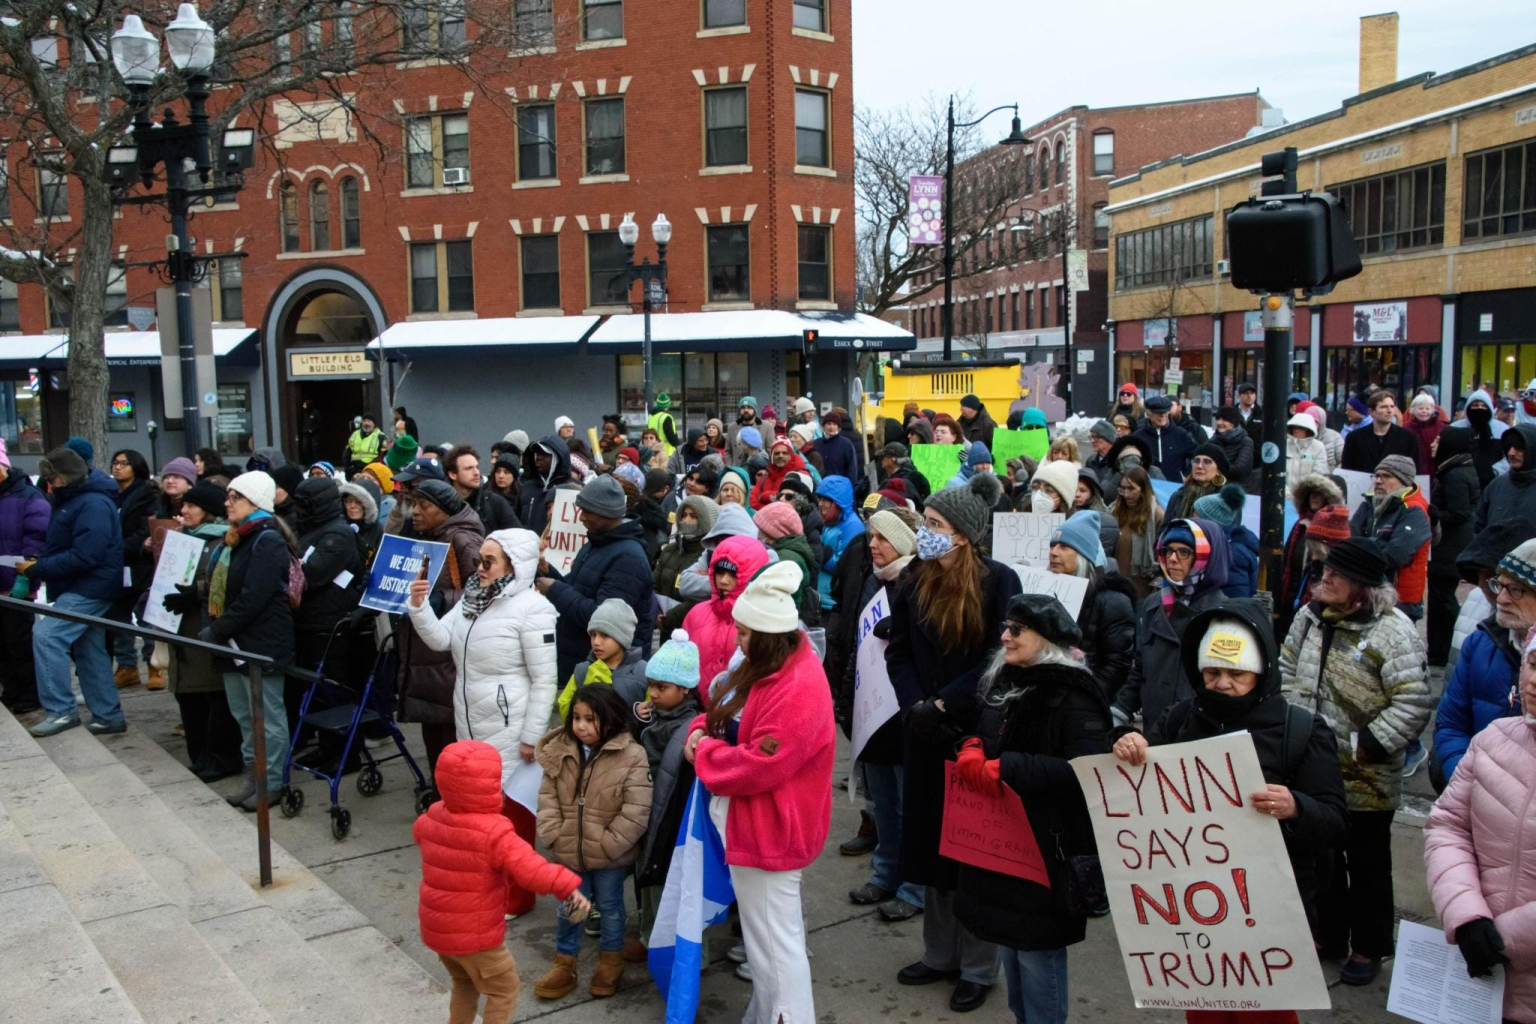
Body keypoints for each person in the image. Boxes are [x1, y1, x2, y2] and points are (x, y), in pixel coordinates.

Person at [1113, 601, 1348, 1024]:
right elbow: (1145, 800)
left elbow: (1334, 821)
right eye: (1211, 673)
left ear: (1260, 673)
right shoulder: (1179, 719)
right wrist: (1131, 748)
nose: (1221, 684)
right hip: (1196, 910)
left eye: (1236, 674)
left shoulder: (1301, 730)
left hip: (1271, 913)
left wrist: (1297, 808)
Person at [888, 475, 1024, 1013]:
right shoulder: (915, 579)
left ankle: (977, 966)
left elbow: (1001, 654)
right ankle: (938, 953)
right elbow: (897, 651)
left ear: (964, 535)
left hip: (974, 732)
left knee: (973, 852)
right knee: (932, 848)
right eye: (926, 522)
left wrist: (945, 702)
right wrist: (916, 705)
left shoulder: (999, 582)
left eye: (936, 524)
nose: (927, 532)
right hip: (924, 731)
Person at [683, 561, 835, 1024]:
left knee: (776, 946)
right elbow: (717, 711)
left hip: (772, 830)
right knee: (765, 943)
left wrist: (703, 753)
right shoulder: (763, 666)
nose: (737, 640)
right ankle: (766, 1015)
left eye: (745, 634)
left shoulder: (799, 687)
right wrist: (700, 733)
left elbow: (762, 764)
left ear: (769, 635)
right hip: (752, 825)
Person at [1279, 536, 1433, 985]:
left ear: (1363, 587)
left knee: (1367, 865)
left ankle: (1369, 947)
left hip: (1367, 777)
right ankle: (1330, 936)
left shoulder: (1394, 631)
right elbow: (1286, 670)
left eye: (1336, 575)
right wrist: (1298, 735)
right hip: (1313, 769)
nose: (1324, 578)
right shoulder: (1308, 619)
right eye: (1326, 570)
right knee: (1322, 860)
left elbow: (1413, 703)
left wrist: (1363, 746)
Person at [951, 594, 1111, 1024]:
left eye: (1016, 629)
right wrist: (970, 746)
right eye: (1006, 626)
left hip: (1047, 848)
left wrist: (1009, 768)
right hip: (1001, 840)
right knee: (1010, 940)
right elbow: (982, 729)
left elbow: (1087, 771)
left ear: (1046, 639)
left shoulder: (1076, 696)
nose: (1004, 636)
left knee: (1037, 953)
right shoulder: (1006, 678)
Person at [408, 527, 557, 918]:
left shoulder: (533, 608)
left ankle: (518, 898)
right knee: (480, 819)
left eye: (489, 561)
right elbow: (441, 640)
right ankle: (492, 890)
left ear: (515, 564)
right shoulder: (474, 598)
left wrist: (531, 736)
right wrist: (419, 607)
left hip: (512, 728)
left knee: (512, 818)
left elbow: (545, 680)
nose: (481, 567)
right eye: (480, 560)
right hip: (471, 720)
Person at [414, 740, 589, 1024]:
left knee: (465, 983)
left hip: (438, 930)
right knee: (503, 989)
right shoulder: (494, 833)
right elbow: (532, 869)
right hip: (476, 934)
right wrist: (567, 885)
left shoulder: (432, 815)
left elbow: (419, 833)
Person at [1424, 630, 1536, 1024]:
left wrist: (1507, 938)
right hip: (1479, 988)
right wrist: (1466, 916)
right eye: (1533, 663)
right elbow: (1448, 825)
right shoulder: (1491, 741)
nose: (1534, 681)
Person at [534, 684, 651, 1000]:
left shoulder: (631, 755)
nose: (581, 725)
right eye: (576, 717)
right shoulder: (563, 750)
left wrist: (610, 845)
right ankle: (565, 962)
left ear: (610, 719)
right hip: (569, 853)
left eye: (590, 719)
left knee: (611, 908)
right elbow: (547, 799)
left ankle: (610, 962)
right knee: (570, 907)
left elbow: (636, 808)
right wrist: (555, 836)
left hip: (610, 856)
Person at [835, 508, 922, 917]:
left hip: (906, 714)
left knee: (909, 804)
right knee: (883, 801)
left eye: (881, 538)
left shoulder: (921, 583)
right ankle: (884, 874)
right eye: (871, 537)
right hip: (874, 713)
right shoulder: (874, 581)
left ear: (902, 543)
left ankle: (913, 887)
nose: (872, 545)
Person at [201, 472, 297, 811]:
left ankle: (272, 781)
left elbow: (254, 597)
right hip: (233, 643)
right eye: (228, 496)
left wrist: (217, 629)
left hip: (259, 644)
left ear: (256, 502)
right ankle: (253, 776)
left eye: (235, 497)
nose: (227, 503)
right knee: (244, 715)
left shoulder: (267, 539)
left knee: (266, 716)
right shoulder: (235, 539)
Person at [24, 447, 126, 738]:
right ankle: (108, 716)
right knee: (88, 648)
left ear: (65, 478)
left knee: (47, 636)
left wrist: (42, 567)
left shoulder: (91, 503)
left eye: (52, 479)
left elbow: (87, 555)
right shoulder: (78, 499)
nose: (49, 485)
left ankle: (60, 712)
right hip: (86, 585)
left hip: (89, 587)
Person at [1432, 538, 1536, 791]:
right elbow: (1451, 726)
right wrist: (1468, 783)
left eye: (1516, 590)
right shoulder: (1480, 643)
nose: (1501, 598)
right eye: (1499, 584)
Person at [399, 479, 486, 777]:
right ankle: (440, 792)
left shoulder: (463, 540)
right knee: (433, 726)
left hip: (449, 653)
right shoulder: (431, 536)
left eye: (425, 506)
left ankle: (452, 793)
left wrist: (441, 599)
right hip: (428, 649)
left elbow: (484, 591)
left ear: (445, 509)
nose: (416, 513)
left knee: (448, 730)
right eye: (414, 505)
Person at [1111, 519, 1232, 731]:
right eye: (1168, 551)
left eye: (1184, 552)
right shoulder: (1153, 603)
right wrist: (1120, 711)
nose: (1173, 559)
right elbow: (1140, 667)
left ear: (1206, 558)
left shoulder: (1223, 613)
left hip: (1197, 732)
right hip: (1154, 727)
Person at [158, 481, 243, 781]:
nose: (183, 510)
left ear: (207, 510)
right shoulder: (183, 538)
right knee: (190, 700)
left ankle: (221, 758)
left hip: (204, 630)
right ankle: (201, 756)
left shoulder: (223, 541)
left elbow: (228, 580)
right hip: (181, 631)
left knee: (213, 699)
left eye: (191, 506)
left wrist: (194, 592)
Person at [629, 631, 706, 960]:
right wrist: (637, 720)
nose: (653, 694)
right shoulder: (655, 718)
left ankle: (680, 955)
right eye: (652, 686)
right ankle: (650, 940)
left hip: (671, 820)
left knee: (671, 887)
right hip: (649, 814)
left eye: (662, 688)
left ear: (685, 689)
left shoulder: (690, 728)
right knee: (647, 880)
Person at [536, 475, 653, 684]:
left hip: (606, 675)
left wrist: (554, 590)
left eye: (587, 511)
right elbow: (576, 587)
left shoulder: (628, 558)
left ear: (605, 512)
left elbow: (603, 618)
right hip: (582, 662)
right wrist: (548, 571)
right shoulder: (596, 543)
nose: (581, 518)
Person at [1048, 512, 1135, 704]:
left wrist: (1085, 701)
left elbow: (1116, 665)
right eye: (1053, 545)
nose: (1054, 552)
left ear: (1082, 555)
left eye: (1064, 547)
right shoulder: (1046, 594)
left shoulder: (1113, 601)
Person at [683, 535, 771, 690]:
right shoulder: (696, 614)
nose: (724, 580)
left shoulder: (764, 620)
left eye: (733, 574)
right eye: (720, 572)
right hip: (695, 709)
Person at [1350, 455, 1431, 621]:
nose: (1378, 481)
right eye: (1376, 475)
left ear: (1404, 480)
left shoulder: (1414, 510)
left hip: (1400, 600)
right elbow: (1349, 542)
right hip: (1365, 593)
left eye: (1386, 476)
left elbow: (1396, 554)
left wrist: (1365, 546)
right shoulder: (1369, 503)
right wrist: (1379, 543)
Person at [0, 440, 48, 715]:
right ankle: (11, 692)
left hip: (16, 584)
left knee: (19, 643)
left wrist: (27, 575)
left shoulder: (29, 496)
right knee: (2, 646)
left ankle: (29, 694)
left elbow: (37, 537)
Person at [106, 448, 158, 689]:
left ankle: (154, 664)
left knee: (145, 614)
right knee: (119, 615)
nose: (117, 467)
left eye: (124, 463)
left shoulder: (147, 493)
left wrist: (121, 548)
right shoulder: (109, 494)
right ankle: (127, 666)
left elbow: (147, 529)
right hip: (116, 565)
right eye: (115, 463)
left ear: (136, 466)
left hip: (140, 562)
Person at [1430, 427, 1482, 665]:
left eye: (1439, 440)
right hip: (1452, 545)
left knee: (1443, 600)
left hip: (1449, 547)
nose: (1434, 443)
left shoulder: (1455, 474)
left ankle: (1446, 648)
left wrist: (1431, 513)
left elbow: (1458, 513)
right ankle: (1439, 649)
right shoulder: (1456, 468)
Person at [555, 598, 647, 719]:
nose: (596, 642)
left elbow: (654, 715)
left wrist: (636, 715)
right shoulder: (583, 671)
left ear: (622, 637)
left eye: (605, 635)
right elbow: (565, 708)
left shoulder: (643, 672)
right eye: (593, 635)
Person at [1281, 475, 1346, 626]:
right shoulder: (1300, 525)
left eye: (1319, 492)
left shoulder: (1343, 531)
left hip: (1320, 601)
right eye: (1310, 492)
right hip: (1291, 599)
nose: (1313, 496)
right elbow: (1285, 562)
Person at [755, 500, 820, 626]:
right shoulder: (785, 552)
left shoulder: (786, 559)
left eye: (760, 529)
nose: (757, 533)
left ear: (773, 531)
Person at [1193, 483, 1259, 598]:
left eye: (1196, 516)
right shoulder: (1223, 545)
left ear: (1211, 522)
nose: (1192, 520)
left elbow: (1236, 597)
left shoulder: (1232, 553)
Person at [1110, 466, 1165, 602]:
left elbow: (1162, 555)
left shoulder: (1157, 516)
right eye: (1122, 489)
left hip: (1143, 591)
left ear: (1143, 489)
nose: (1126, 494)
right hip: (1116, 587)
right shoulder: (1113, 511)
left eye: (1131, 489)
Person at [813, 475, 864, 614]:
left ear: (838, 502)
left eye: (827, 500)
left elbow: (846, 566)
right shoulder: (830, 520)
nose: (821, 504)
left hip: (832, 603)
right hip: (821, 598)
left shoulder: (852, 526)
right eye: (820, 498)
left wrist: (822, 553)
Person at [1473, 423, 1536, 534]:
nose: (1511, 453)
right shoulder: (1496, 486)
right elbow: (1479, 530)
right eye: (1508, 447)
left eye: (1519, 447)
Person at [1340, 390, 1419, 472]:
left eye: (1392, 406)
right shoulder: (1354, 438)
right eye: (1384, 407)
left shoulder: (1408, 437)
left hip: (1398, 484)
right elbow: (1347, 471)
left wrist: (1414, 485)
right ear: (1371, 411)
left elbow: (1416, 472)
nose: (1389, 411)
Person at [448, 446, 519, 534]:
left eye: (477, 467)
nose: (476, 473)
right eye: (469, 468)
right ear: (453, 474)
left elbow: (518, 537)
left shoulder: (494, 502)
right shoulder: (443, 506)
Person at [1449, 387, 1509, 487]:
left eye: (1483, 406)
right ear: (1468, 407)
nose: (1479, 409)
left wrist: (1494, 471)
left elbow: (1508, 457)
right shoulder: (1454, 428)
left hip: (1494, 482)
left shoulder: (1502, 429)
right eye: (1475, 405)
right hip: (1461, 483)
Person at [518, 436, 576, 536]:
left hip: (554, 549)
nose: (538, 457)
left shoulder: (573, 489)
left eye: (545, 454)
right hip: (526, 548)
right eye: (537, 453)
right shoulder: (525, 487)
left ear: (557, 458)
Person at [1131, 394, 1196, 481]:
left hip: (1175, 487)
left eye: (1165, 412)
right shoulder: (1137, 437)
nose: (1162, 416)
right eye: (1158, 413)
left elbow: (1198, 454)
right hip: (1146, 487)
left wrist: (1187, 475)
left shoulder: (1180, 434)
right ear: (1149, 413)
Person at [1164, 444, 1230, 520]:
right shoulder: (1178, 496)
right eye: (1196, 461)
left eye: (1207, 461)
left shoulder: (1226, 500)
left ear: (1218, 470)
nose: (1199, 466)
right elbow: (1165, 529)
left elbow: (1229, 531)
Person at [339, 478, 384, 569]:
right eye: (348, 501)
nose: (352, 506)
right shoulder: (339, 525)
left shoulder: (377, 530)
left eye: (358, 502)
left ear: (369, 505)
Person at [1210, 406, 1256, 491]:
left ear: (1233, 423)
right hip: (1213, 488)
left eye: (1224, 420)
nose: (1220, 422)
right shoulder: (1212, 441)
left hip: (1237, 490)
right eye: (1218, 419)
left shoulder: (1246, 441)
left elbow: (1241, 469)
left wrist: (1213, 469)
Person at [874, 442, 930, 510]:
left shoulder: (913, 478)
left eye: (883, 457)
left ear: (892, 460)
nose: (881, 460)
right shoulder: (887, 475)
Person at [1405, 392, 1445, 474]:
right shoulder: (1406, 428)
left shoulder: (1441, 428)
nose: (1424, 411)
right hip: (1413, 470)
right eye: (1420, 408)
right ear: (1413, 410)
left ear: (1432, 410)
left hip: (1435, 470)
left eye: (1427, 409)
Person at [814, 410, 859, 481]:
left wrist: (850, 486)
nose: (831, 427)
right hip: (820, 487)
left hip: (839, 487)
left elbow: (852, 468)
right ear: (823, 426)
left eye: (834, 424)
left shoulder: (846, 444)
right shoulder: (816, 444)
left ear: (839, 427)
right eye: (829, 424)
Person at [1285, 413, 1331, 480]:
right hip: (1285, 490)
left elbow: (1318, 474)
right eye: (1294, 427)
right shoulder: (1284, 444)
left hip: (1309, 489)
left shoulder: (1318, 447)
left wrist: (1305, 490)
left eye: (1301, 428)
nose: (1296, 430)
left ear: (1309, 429)